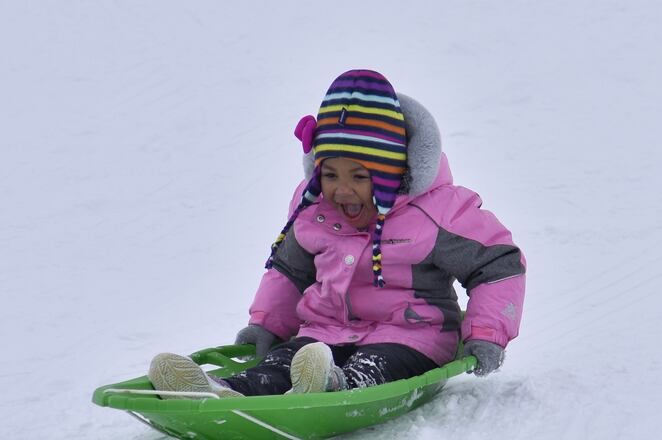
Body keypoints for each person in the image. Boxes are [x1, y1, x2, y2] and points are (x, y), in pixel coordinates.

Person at [148, 69, 526, 398]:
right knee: (285, 361)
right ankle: (223, 390)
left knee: (378, 364)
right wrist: (266, 325)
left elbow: (497, 265)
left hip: (411, 335)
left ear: (394, 172)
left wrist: (486, 331)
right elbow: (289, 272)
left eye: (359, 176)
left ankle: (334, 386)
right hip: (323, 333)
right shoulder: (312, 210)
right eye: (330, 175)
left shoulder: (436, 212)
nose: (341, 190)